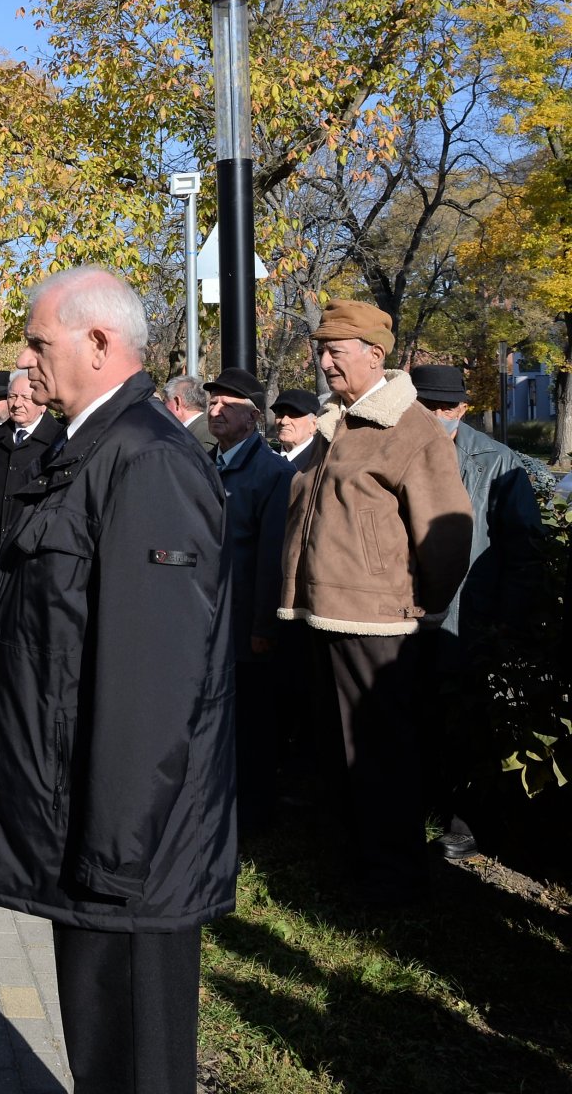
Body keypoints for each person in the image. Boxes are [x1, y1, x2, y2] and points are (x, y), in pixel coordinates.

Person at [0, 266, 233, 1094]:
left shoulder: (146, 460)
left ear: (98, 342)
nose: (27, 359)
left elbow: (154, 680)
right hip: (90, 822)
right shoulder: (89, 448)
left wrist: (114, 857)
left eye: (38, 342)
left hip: (128, 847)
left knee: (133, 1057)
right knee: (103, 1050)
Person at [277, 300, 472, 900]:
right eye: (322, 350)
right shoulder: (336, 424)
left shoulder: (410, 429)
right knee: (335, 749)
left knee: (379, 752)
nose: (325, 361)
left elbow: (447, 533)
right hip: (320, 612)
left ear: (375, 354)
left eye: (336, 351)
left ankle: (392, 881)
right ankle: (351, 865)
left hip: (376, 621)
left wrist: (419, 605)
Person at [410, 363, 547, 862]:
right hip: (404, 614)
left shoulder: (496, 461)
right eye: (427, 405)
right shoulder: (396, 450)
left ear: (464, 408)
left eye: (446, 406)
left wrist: (505, 624)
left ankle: (464, 823)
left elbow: (524, 549)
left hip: (467, 618)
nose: (437, 414)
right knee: (412, 715)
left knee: (464, 726)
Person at [204, 366, 294, 834]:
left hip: (244, 625)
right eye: (212, 401)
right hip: (205, 620)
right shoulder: (202, 463)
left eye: (227, 404)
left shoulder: (272, 473)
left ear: (253, 416)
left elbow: (272, 556)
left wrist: (263, 626)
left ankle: (252, 817)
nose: (215, 410)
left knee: (252, 724)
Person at [0, 368, 63, 665]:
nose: (17, 403)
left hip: (34, 559)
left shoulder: (59, 442)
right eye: (12, 396)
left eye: (25, 397)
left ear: (43, 401)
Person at [163, 374, 220, 455]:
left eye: (165, 401)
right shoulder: (194, 430)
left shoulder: (205, 434)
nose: (163, 407)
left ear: (177, 402)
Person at [271, 388, 326, 466]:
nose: (284, 421)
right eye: (280, 414)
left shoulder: (323, 461)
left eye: (293, 415)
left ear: (313, 425)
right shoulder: (264, 457)